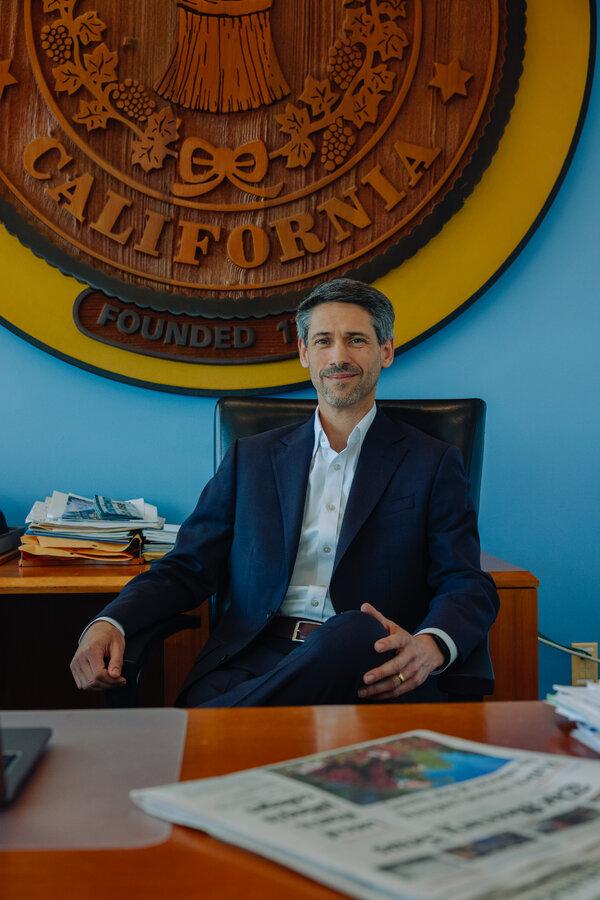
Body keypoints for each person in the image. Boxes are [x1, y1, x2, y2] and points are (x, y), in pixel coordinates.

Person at [70, 279, 499, 706]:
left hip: (371, 669)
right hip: (253, 658)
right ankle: (235, 719)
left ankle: (210, 727)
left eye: (356, 340)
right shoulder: (251, 460)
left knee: (357, 629)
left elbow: (465, 581)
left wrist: (432, 646)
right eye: (324, 341)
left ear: (385, 351)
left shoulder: (432, 461)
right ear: (303, 353)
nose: (339, 356)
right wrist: (112, 622)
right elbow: (186, 569)